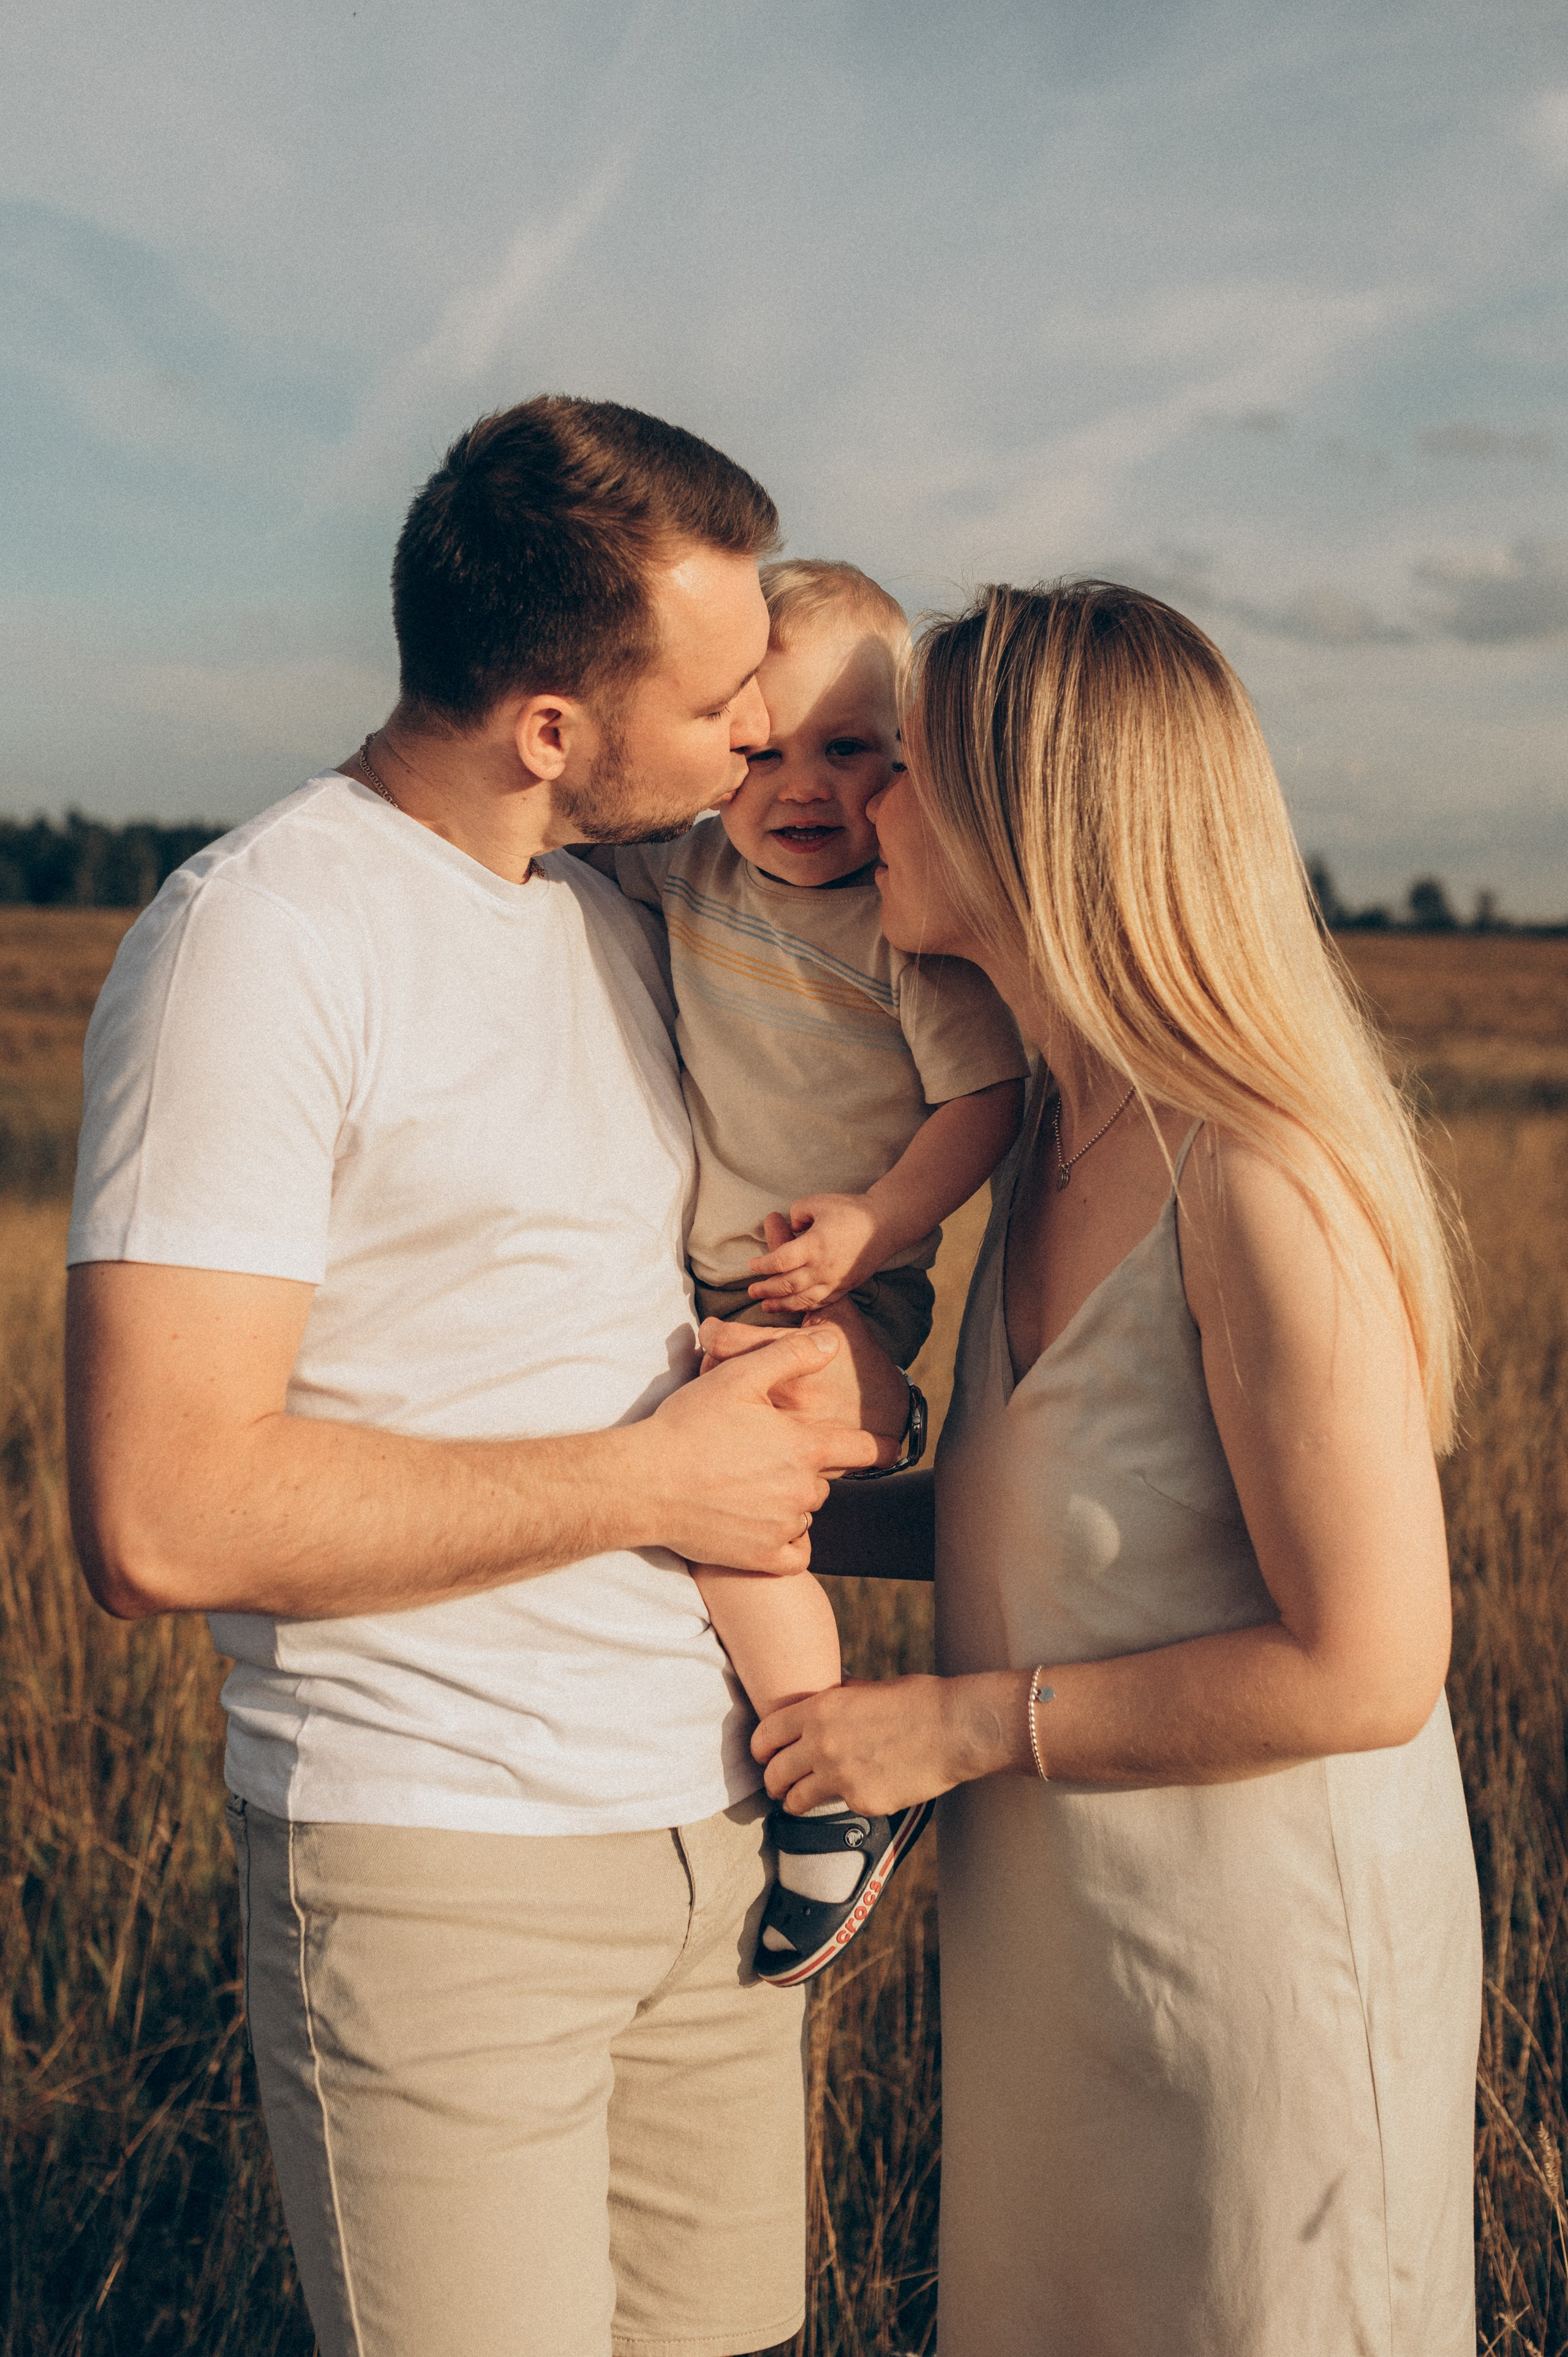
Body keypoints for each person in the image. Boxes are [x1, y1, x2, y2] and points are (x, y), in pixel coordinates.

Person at [63, 396, 905, 2357]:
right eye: (721, 711)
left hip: (711, 1847)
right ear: (552, 725)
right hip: (439, 1863)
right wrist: (654, 1488)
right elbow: (160, 1513)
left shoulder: (619, 923)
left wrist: (841, 1367)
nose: (755, 743)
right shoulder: (258, 944)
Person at [752, 581, 1483, 2354]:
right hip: (1066, 1962)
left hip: (1262, 1985)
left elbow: (1372, 1666)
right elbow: (1065, 1529)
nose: (865, 807)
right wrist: (721, 1502)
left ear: (1035, 820)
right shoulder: (1055, 1142)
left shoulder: (1255, 1182)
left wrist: (954, 1725)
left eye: (910, 769)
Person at [606, 557, 1025, 1982]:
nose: (801, 788)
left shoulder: (905, 933)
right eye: (762, 747)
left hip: (840, 1283)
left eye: (849, 750)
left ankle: (826, 1794)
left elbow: (983, 1102)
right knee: (712, 1497)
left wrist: (876, 1225)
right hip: (714, 1284)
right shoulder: (690, 865)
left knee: (741, 1510)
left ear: (907, 763)